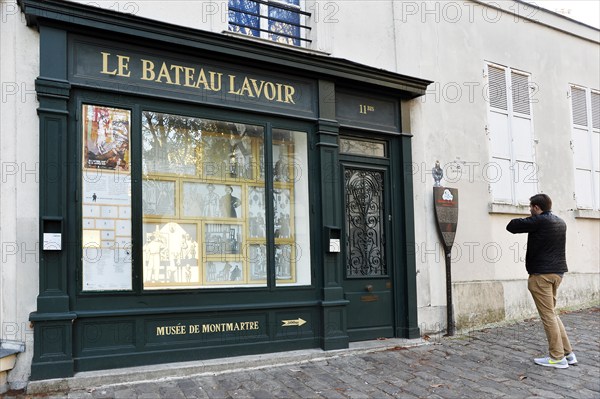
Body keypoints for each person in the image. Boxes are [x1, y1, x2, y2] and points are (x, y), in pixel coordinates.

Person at [506, 194, 576, 369]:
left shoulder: (540, 221)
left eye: (531, 207)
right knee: (552, 313)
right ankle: (568, 354)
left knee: (548, 317)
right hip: (557, 273)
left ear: (537, 207)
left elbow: (512, 226)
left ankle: (557, 357)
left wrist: (533, 218)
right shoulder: (560, 222)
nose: (530, 210)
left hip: (541, 276)